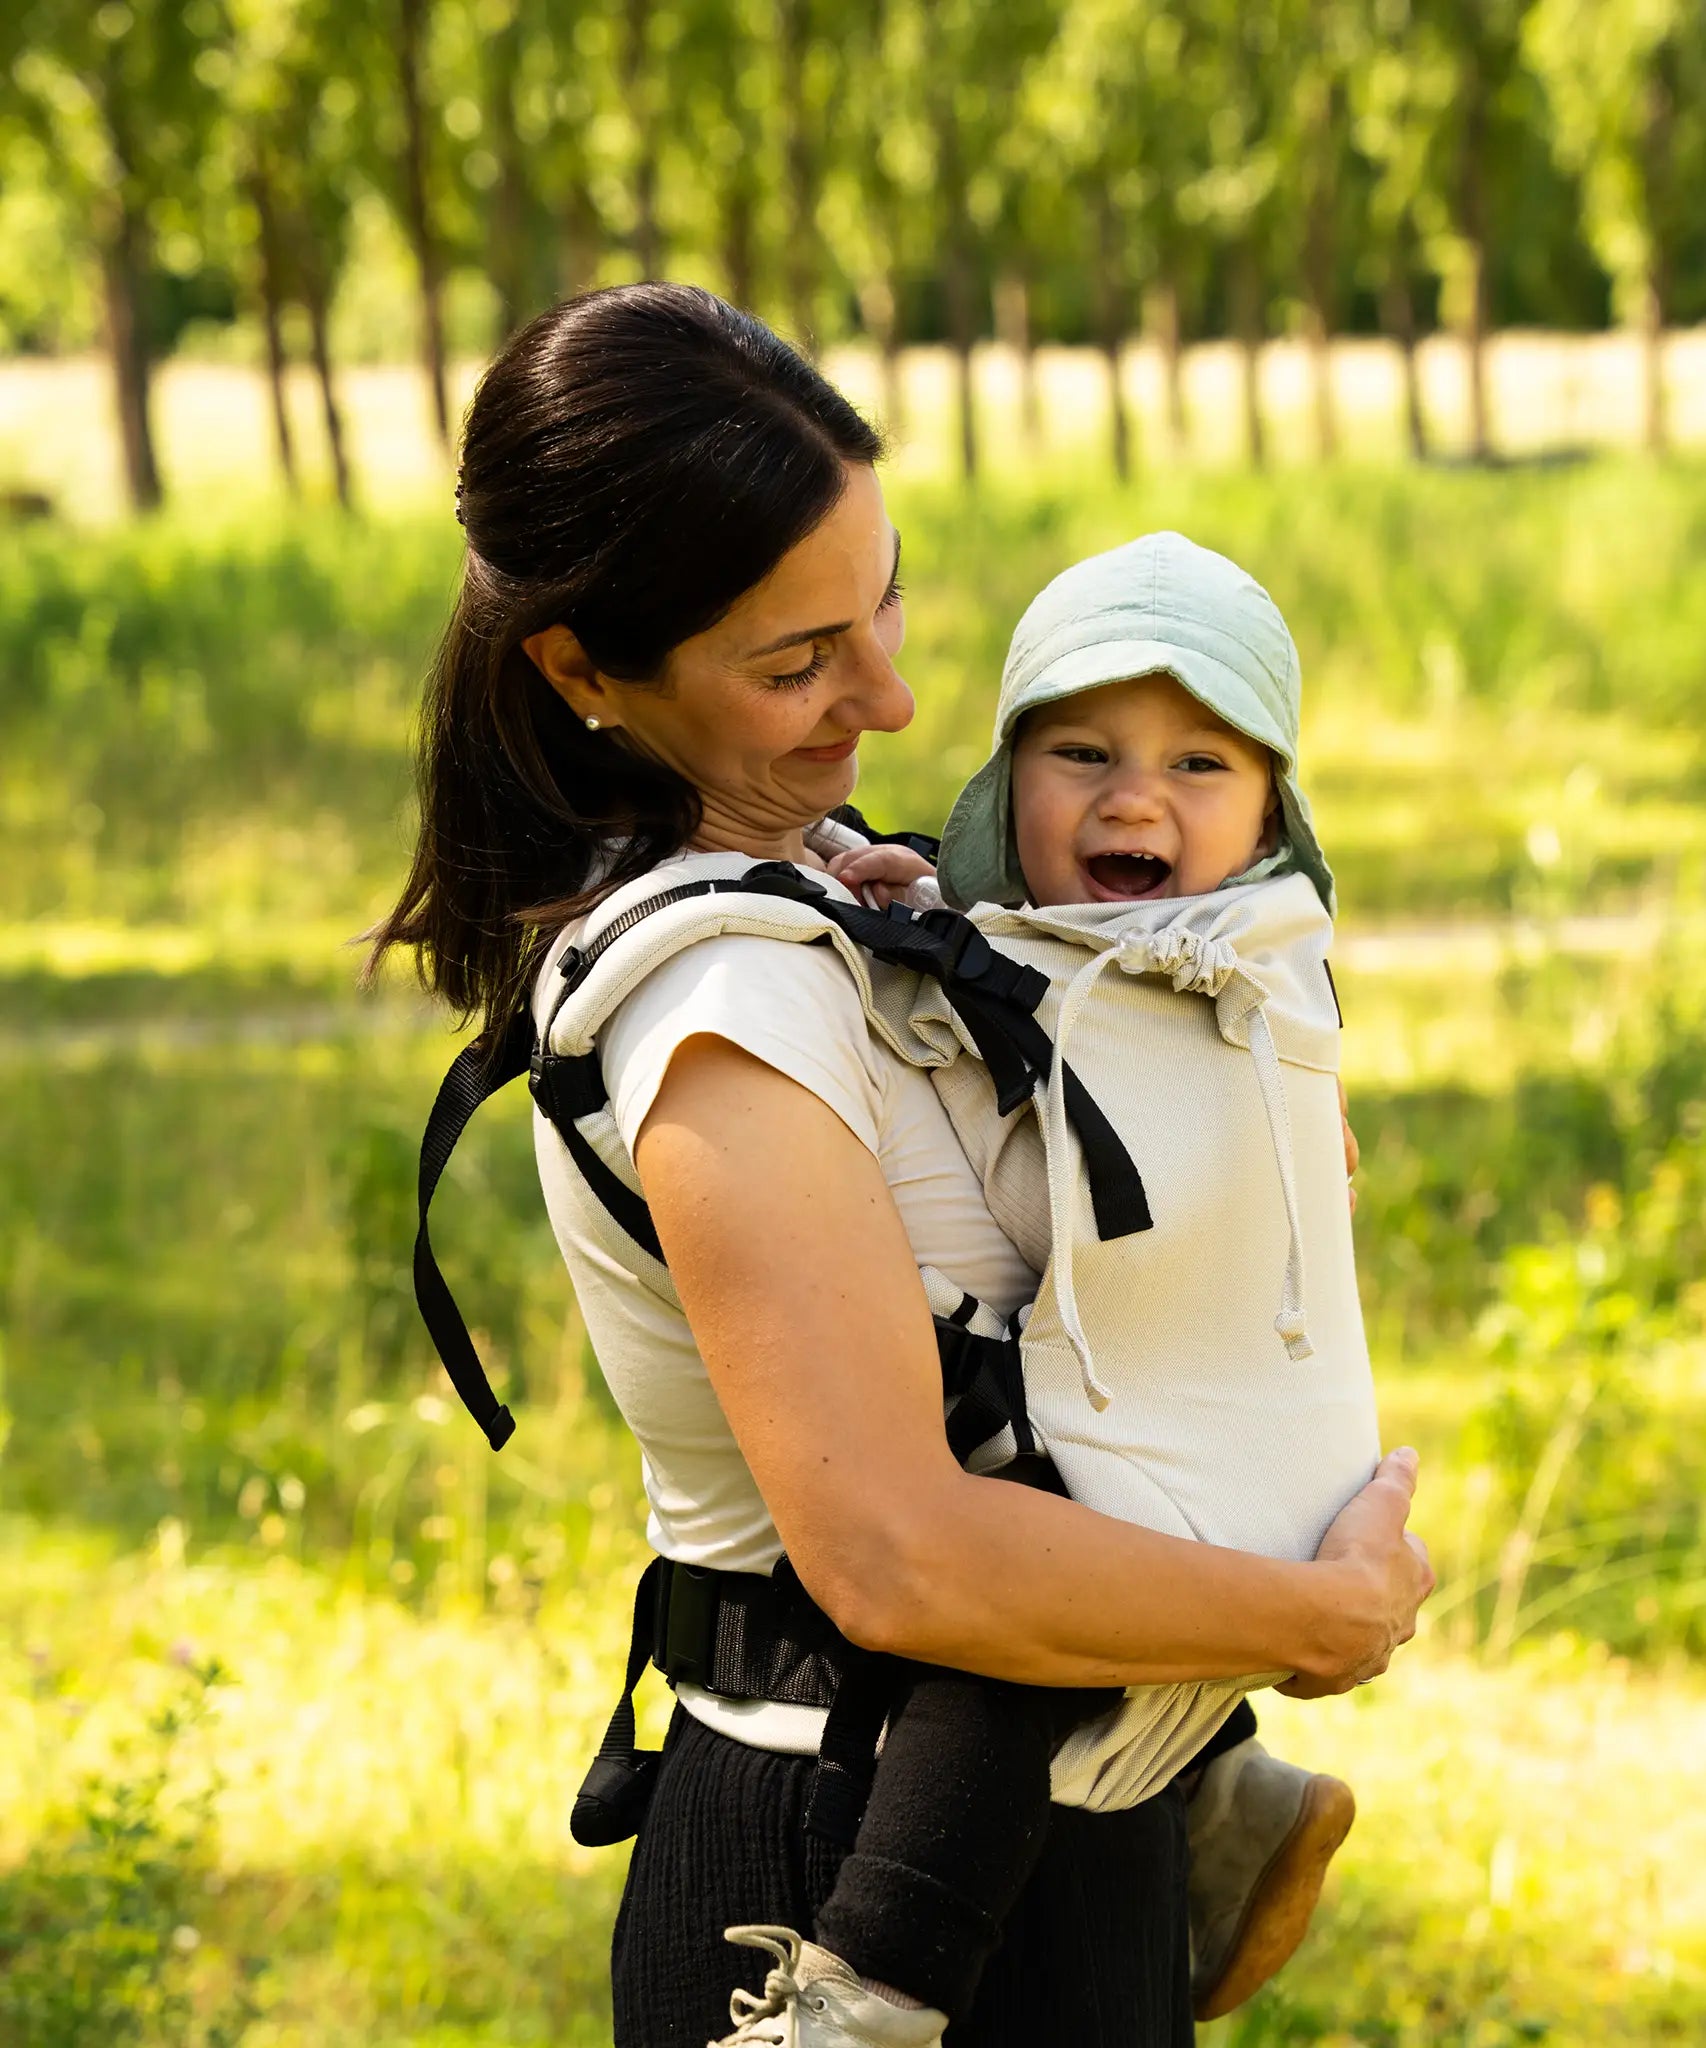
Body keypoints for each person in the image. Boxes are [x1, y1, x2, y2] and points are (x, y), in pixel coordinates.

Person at [369, 283, 1433, 2048]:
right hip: (842, 1850)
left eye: (879, 608)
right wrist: (1309, 1616)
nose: (891, 695)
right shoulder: (719, 998)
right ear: (581, 672)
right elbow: (899, 1556)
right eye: (795, 663)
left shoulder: (844, 900)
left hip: (1073, 1829)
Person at [743, 530, 1381, 2043]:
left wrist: (911, 968)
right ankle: (1217, 1777)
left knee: (1007, 1629)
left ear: (1272, 810)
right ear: (1004, 781)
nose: (1133, 798)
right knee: (1089, 1501)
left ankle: (873, 1991)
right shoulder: (1193, 946)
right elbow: (1037, 988)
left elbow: (1047, 1156)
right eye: (1078, 750)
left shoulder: (1223, 962)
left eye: (1200, 766)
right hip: (1237, 1451)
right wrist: (922, 917)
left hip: (1214, 1476)